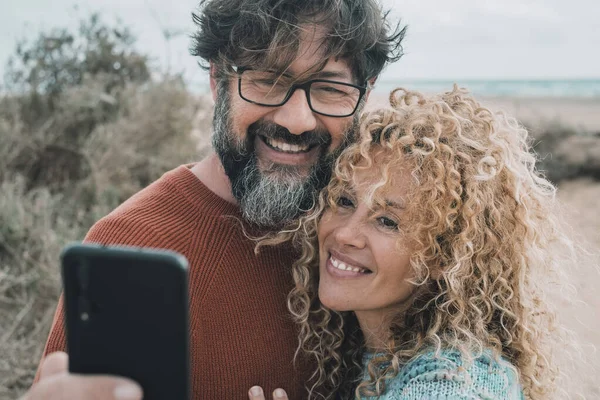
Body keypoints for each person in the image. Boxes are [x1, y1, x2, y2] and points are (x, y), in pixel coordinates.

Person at [24, 1, 406, 399]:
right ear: (216, 79)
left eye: (329, 88)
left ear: (364, 95)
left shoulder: (377, 239)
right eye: (268, 80)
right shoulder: (132, 244)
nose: (297, 120)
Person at [248, 87, 576, 400]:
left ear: (443, 255)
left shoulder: (450, 383)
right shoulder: (375, 356)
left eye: (387, 221)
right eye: (345, 201)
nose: (346, 233)